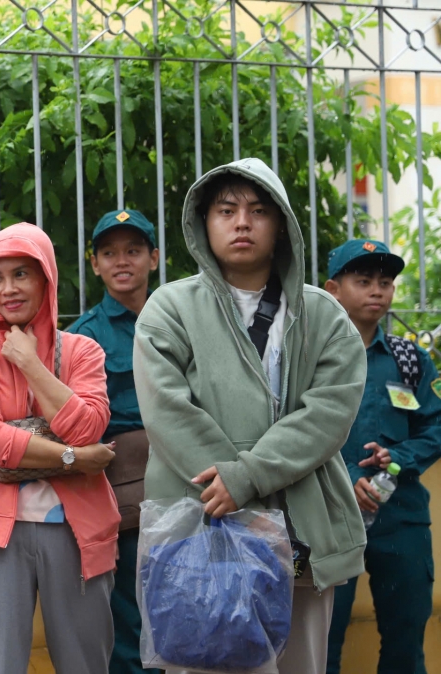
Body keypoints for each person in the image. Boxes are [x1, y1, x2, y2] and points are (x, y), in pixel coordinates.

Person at [133, 158, 368, 674]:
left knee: (300, 664)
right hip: (201, 526)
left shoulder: (324, 315)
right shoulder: (169, 308)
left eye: (258, 210)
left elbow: (328, 413)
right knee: (201, 661)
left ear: (280, 223)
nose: (242, 222)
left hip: (300, 529)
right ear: (203, 222)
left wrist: (249, 476)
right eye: (226, 210)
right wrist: (231, 488)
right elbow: (167, 410)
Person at [0, 222, 120, 674]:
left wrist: (29, 363)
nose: (9, 289)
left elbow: (87, 426)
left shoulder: (83, 351)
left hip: (78, 530)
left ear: (48, 279)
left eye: (22, 274)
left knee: (85, 664)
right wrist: (72, 459)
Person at [323, 239, 441, 674]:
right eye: (364, 280)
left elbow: (437, 425)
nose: (378, 290)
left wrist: (397, 459)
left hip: (401, 517)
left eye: (386, 282)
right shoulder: (312, 361)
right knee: (321, 640)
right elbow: (290, 434)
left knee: (406, 636)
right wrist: (347, 473)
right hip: (329, 516)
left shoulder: (411, 360)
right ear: (333, 290)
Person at [68, 209, 160, 674]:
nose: (121, 261)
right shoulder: (85, 337)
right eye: (109, 253)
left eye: (133, 250)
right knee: (130, 622)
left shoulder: (179, 321)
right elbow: (80, 426)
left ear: (154, 258)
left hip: (192, 487)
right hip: (124, 498)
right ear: (95, 264)